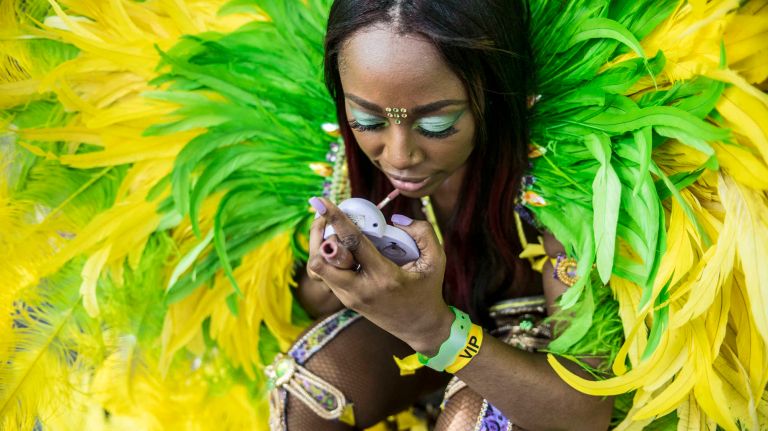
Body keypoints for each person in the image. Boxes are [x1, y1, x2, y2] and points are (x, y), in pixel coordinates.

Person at [271, 1, 614, 429]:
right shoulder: (336, 165)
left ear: (493, 97)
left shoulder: (562, 182)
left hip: (541, 386)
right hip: (413, 353)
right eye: (367, 119)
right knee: (307, 391)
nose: (399, 156)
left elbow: (587, 411)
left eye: (436, 124)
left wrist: (433, 329)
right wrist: (337, 273)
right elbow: (301, 300)